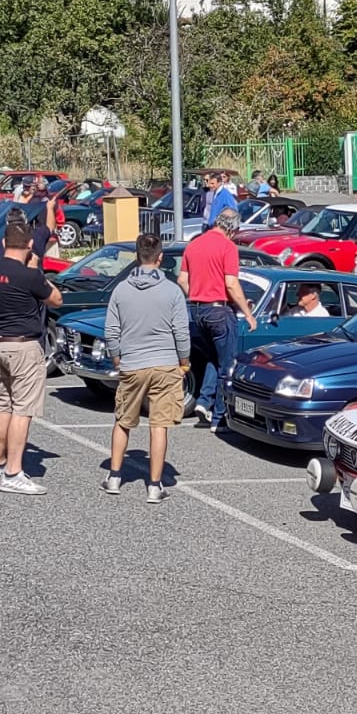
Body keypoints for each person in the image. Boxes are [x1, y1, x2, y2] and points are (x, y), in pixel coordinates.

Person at [103, 231, 191, 504]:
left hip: (132, 362)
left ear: (137, 256)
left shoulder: (121, 289)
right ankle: (154, 485)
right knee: (159, 424)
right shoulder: (172, 291)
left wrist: (116, 357)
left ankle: (114, 476)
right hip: (165, 363)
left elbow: (111, 330)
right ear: (160, 258)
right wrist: (184, 360)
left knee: (123, 420)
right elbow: (181, 331)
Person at [0, 219, 61, 496]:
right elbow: (56, 299)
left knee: (3, 404)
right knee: (22, 409)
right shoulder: (29, 275)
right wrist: (38, 271)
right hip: (22, 345)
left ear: (4, 243)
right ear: (29, 244)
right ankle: (13, 472)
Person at [179, 208, 257, 429]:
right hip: (219, 311)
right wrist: (248, 313)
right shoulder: (228, 247)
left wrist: (198, 295)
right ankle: (219, 417)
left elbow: (182, 280)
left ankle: (204, 402)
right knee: (227, 365)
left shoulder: (194, 244)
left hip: (197, 310)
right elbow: (231, 284)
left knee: (213, 357)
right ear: (233, 229)